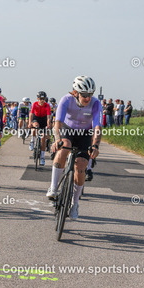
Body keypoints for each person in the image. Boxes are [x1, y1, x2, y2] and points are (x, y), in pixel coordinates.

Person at [47, 76, 102, 220]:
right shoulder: (66, 100)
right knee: (65, 147)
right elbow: (58, 123)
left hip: (85, 133)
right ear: (75, 93)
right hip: (67, 129)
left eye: (90, 94)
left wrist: (95, 145)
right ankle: (53, 187)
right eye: (84, 95)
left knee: (81, 164)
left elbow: (97, 127)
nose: (88, 98)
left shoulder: (96, 103)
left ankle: (75, 203)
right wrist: (57, 140)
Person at [28, 91, 52, 166]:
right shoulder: (35, 104)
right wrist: (30, 123)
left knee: (43, 137)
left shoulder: (47, 105)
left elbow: (48, 117)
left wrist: (48, 124)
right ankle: (32, 141)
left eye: (43, 99)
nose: (42, 100)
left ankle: (42, 157)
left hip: (44, 119)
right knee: (35, 127)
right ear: (37, 98)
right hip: (36, 118)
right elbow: (31, 114)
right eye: (40, 99)